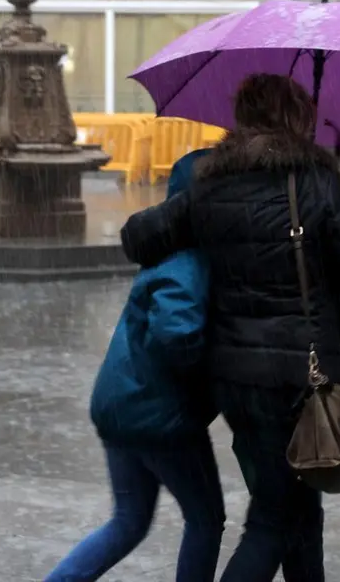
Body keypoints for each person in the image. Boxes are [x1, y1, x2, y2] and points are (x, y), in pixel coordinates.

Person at [119, 74, 340, 582]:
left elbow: (137, 237)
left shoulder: (213, 183)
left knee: (299, 504)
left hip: (236, 378)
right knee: (273, 519)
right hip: (302, 378)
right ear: (297, 118)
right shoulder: (315, 181)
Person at [44, 149, 225, 582]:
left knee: (129, 520)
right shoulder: (191, 261)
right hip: (159, 419)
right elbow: (177, 334)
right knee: (205, 519)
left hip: (119, 407)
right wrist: (213, 374)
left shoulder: (163, 251)